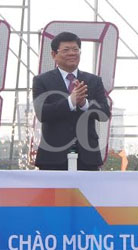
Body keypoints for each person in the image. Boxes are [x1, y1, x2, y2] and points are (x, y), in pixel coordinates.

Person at [32, 31, 111, 170]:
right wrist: (70, 102)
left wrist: (84, 104)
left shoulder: (94, 81)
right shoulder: (42, 80)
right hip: (53, 156)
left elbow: (104, 113)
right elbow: (42, 113)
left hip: (87, 156)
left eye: (75, 49)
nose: (72, 53)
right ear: (54, 54)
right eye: (66, 50)